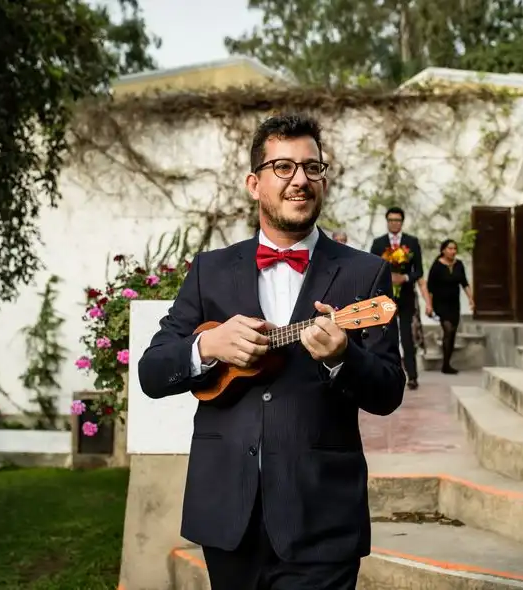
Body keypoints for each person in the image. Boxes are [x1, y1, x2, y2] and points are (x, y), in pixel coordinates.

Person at [137, 113, 405, 590]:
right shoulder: (210, 270)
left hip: (321, 516)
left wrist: (343, 356)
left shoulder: (365, 274)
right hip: (226, 513)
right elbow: (153, 373)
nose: (300, 179)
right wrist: (207, 346)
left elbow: (388, 392)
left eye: (312, 167)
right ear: (253, 183)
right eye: (283, 167)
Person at [370, 207, 425, 390]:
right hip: (386, 297)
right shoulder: (378, 243)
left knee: (407, 336)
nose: (395, 223)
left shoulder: (412, 242)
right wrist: (389, 278)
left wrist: (405, 278)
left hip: (407, 296)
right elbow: (372, 268)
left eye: (398, 220)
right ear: (387, 222)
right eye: (391, 220)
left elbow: (419, 270)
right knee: (388, 335)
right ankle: (389, 375)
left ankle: (413, 376)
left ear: (402, 222)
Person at [424, 239, 475, 374]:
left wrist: (471, 299)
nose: (453, 251)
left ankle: (447, 363)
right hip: (440, 304)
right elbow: (430, 288)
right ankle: (445, 364)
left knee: (452, 333)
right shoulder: (436, 266)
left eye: (454, 249)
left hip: (454, 304)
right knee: (448, 329)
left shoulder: (459, 265)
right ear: (443, 250)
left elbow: (464, 283)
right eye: (450, 249)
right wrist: (428, 305)